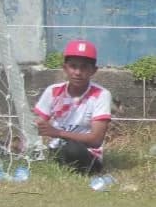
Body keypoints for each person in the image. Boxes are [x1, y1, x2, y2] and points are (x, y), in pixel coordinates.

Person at [33, 39, 112, 174]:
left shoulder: (101, 95)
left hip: (86, 153)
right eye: (73, 66)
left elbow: (96, 140)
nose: (78, 72)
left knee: (73, 149)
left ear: (93, 70)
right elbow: (37, 124)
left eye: (84, 67)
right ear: (65, 68)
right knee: (0, 146)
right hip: (56, 149)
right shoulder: (53, 91)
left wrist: (57, 133)